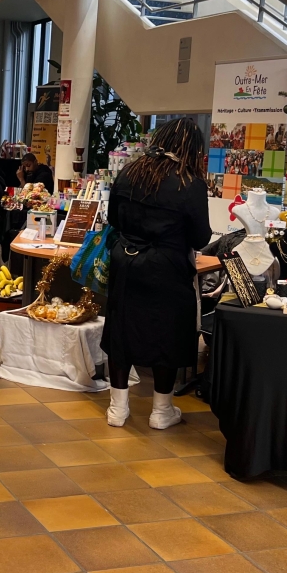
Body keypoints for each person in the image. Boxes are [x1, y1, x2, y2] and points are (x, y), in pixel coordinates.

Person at [102, 117, 212, 430]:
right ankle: (161, 411)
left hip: (125, 260)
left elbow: (113, 218)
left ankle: (117, 409)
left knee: (121, 329)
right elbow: (200, 238)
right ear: (191, 148)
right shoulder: (190, 183)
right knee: (168, 333)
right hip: (167, 267)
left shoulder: (129, 171)